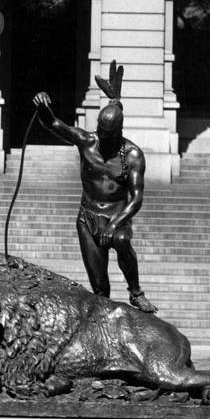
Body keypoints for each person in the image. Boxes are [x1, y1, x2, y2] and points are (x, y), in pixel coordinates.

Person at [32, 62, 158, 313]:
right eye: (100, 130)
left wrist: (113, 224)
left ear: (119, 132)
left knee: (121, 241)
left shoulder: (132, 155)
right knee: (100, 288)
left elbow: (136, 200)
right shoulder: (88, 142)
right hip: (88, 218)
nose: (101, 136)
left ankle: (136, 292)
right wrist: (44, 108)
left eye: (107, 134)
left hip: (117, 217)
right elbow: (55, 125)